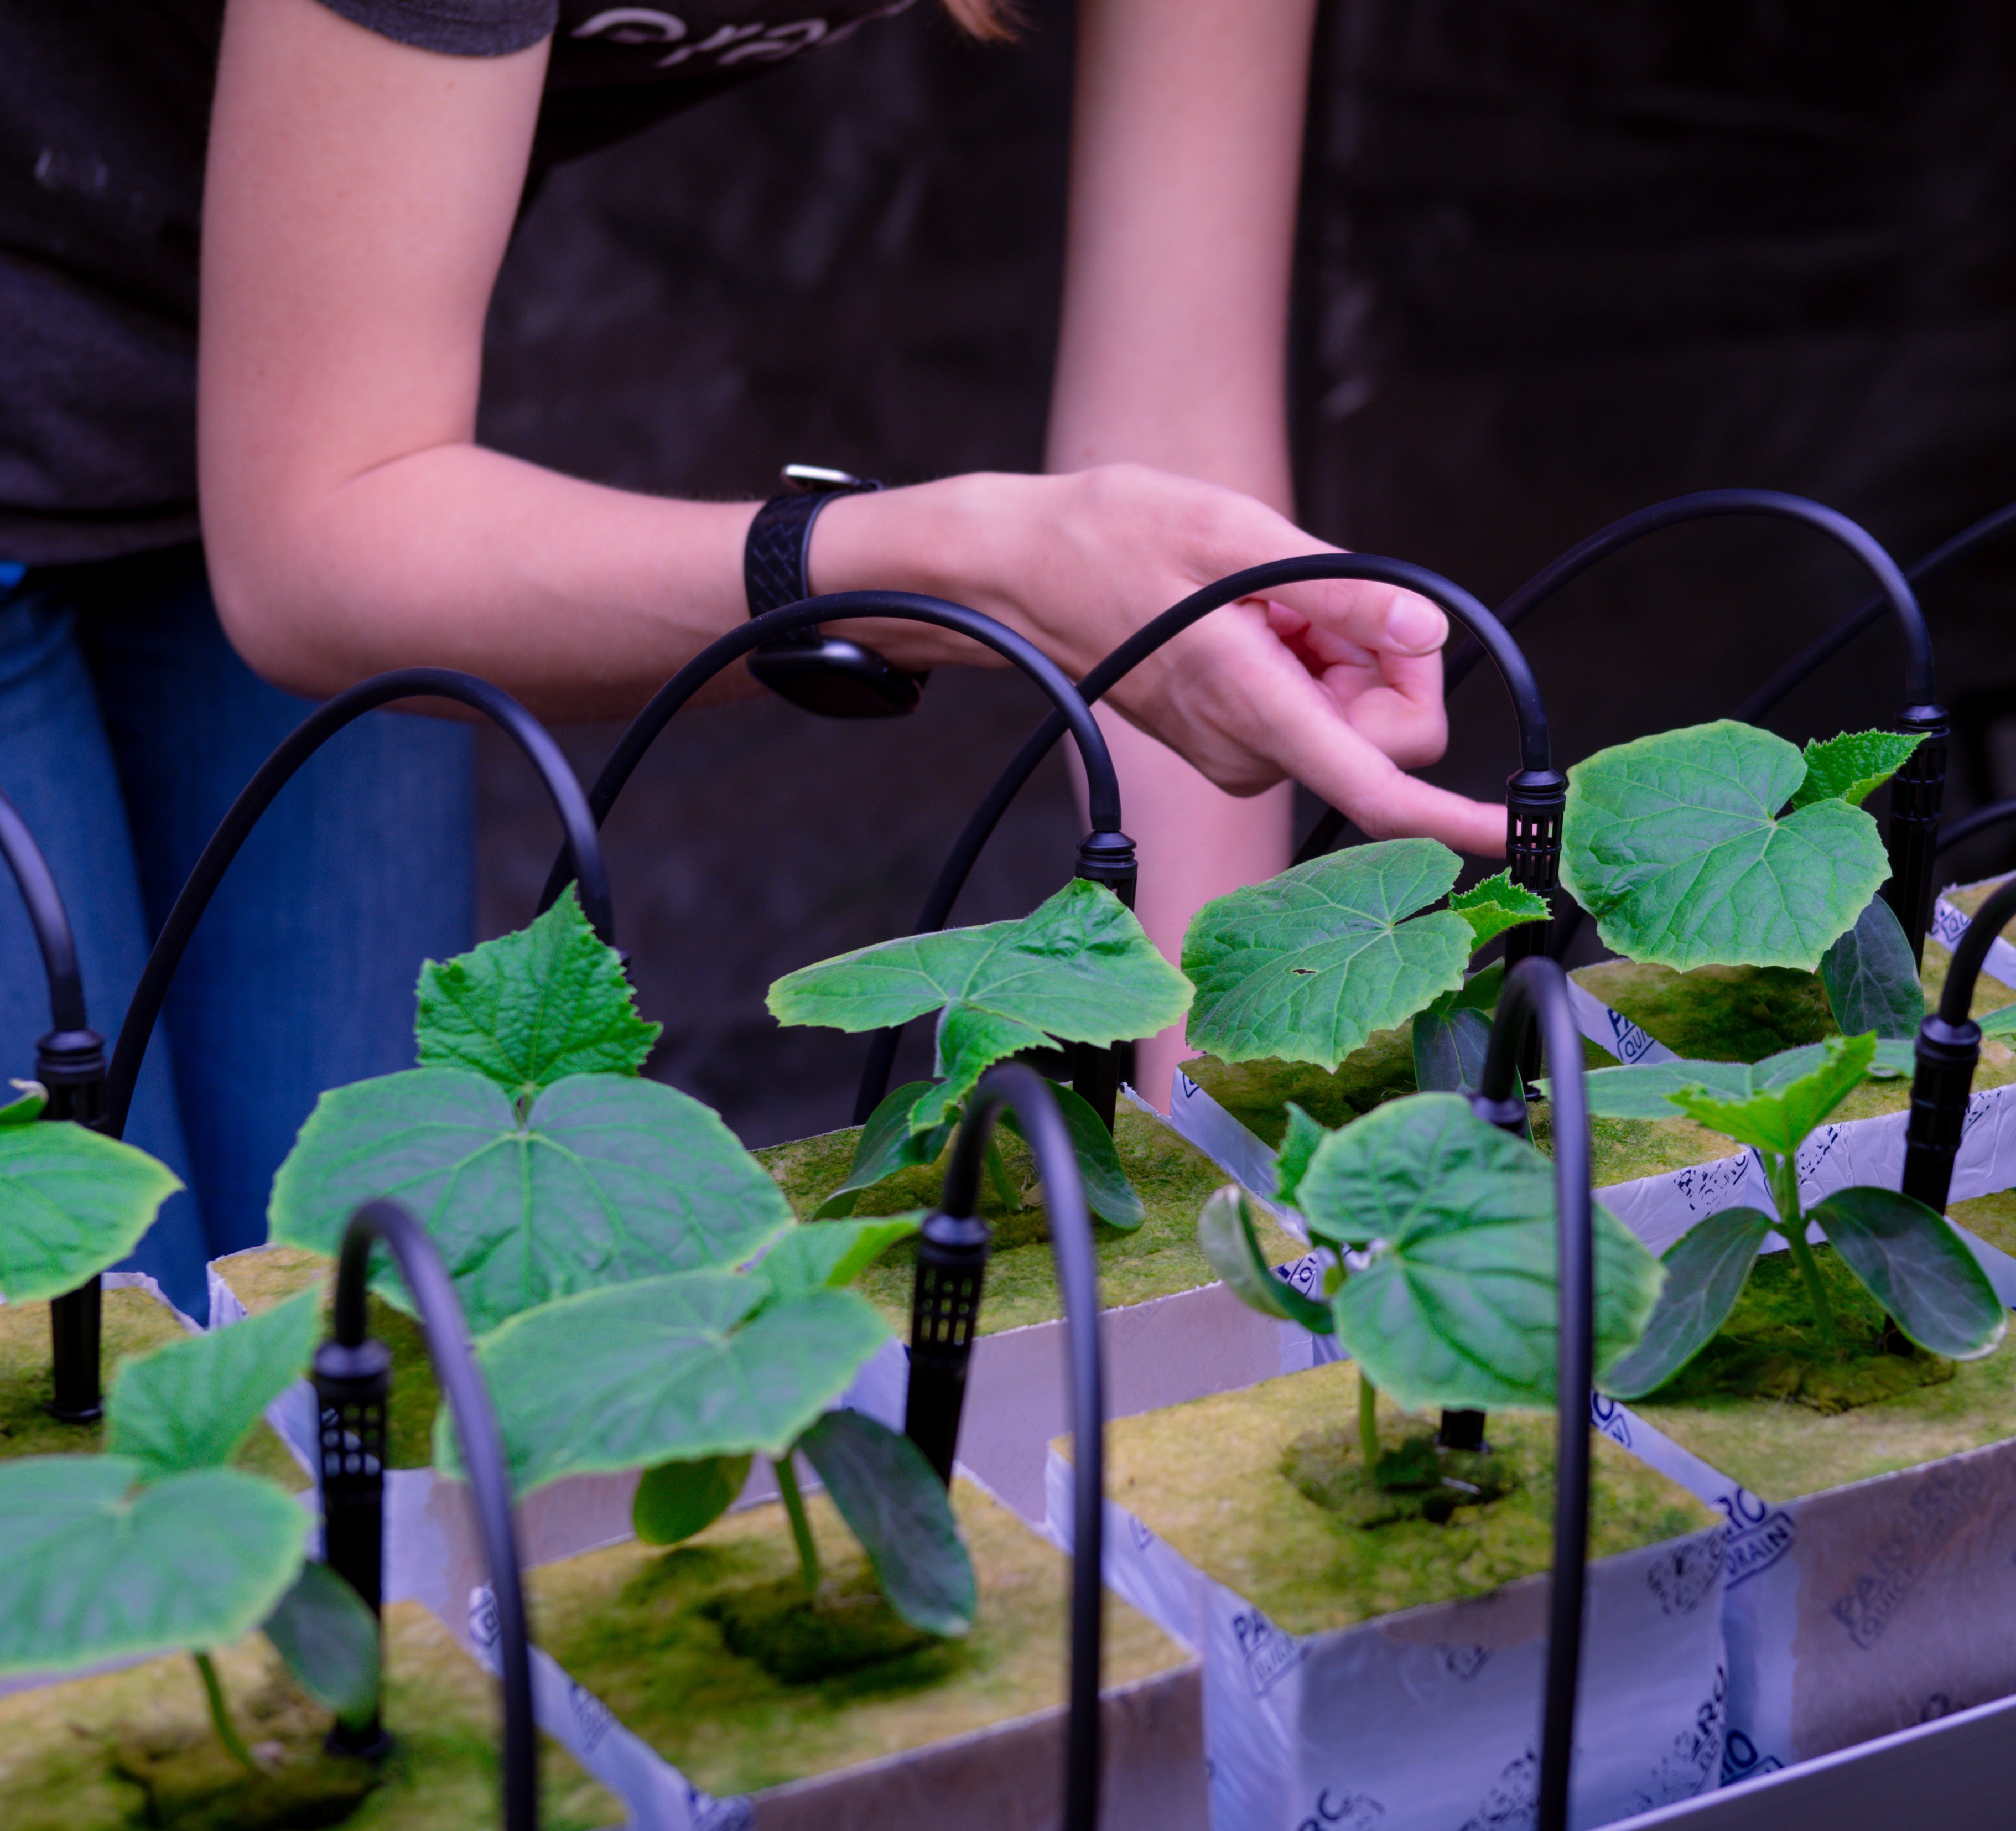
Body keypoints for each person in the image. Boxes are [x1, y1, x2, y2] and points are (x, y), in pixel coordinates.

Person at [0, 0, 1500, 1303]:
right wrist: (926, 567)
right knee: (84, 1368)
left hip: (295, 375)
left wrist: (1215, 1159)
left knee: (351, 1307)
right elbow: (312, 551)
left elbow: (1176, 441)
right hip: (263, 447)